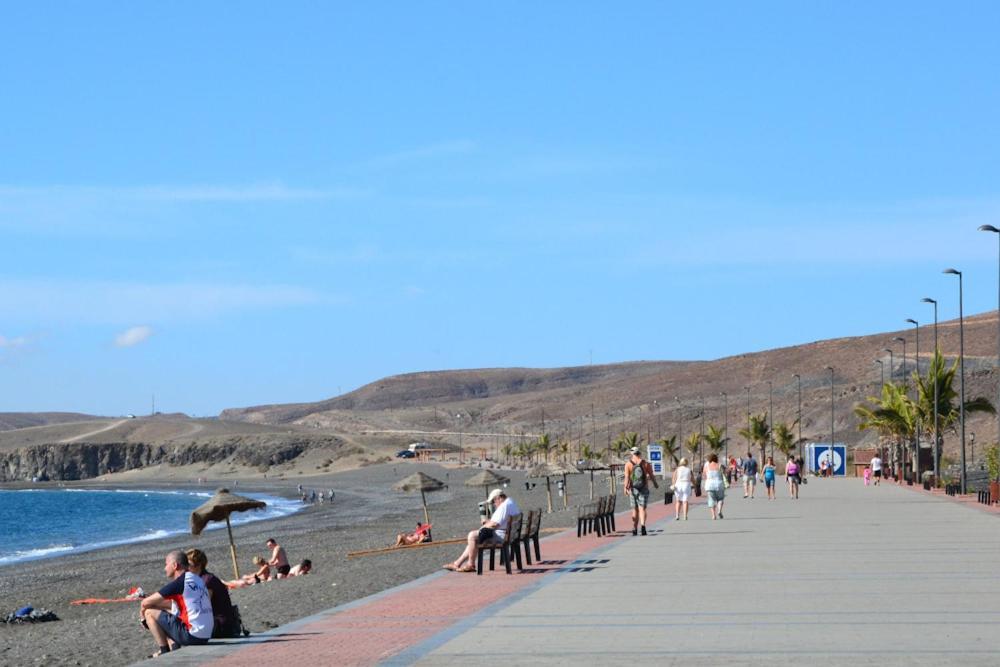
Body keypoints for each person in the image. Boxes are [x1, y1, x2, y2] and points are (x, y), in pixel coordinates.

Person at [139, 550, 213, 657]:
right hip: (205, 635)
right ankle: (174, 647)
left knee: (149, 612)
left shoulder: (180, 583)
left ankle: (164, 651)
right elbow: (170, 604)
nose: (165, 568)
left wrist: (142, 617)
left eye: (166, 564)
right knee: (168, 612)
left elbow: (145, 603)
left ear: (174, 565)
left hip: (192, 636)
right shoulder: (197, 579)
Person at [444, 488, 519, 572]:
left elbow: (495, 524)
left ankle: (470, 564)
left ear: (499, 498)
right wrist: (488, 522)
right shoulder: (510, 502)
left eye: (493, 501)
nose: (494, 504)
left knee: (472, 535)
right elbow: (499, 521)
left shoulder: (504, 506)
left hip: (502, 536)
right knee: (473, 540)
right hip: (509, 534)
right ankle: (457, 563)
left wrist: (483, 527)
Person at [186, 549, 240, 639]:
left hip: (221, 626)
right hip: (219, 623)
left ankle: (168, 649)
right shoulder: (202, 578)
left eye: (189, 564)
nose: (186, 568)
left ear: (198, 565)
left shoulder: (206, 581)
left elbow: (203, 606)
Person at [624, 446, 659, 535]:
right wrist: (655, 484)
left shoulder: (628, 464)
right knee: (642, 508)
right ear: (639, 453)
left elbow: (627, 477)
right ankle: (643, 526)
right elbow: (651, 475)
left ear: (632, 454)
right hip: (644, 488)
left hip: (633, 488)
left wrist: (625, 488)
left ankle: (634, 528)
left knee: (634, 509)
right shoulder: (646, 463)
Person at [702, 453, 726, 519]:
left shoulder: (707, 466)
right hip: (719, 484)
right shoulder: (720, 465)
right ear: (716, 458)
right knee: (720, 499)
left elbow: (704, 475)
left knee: (711, 500)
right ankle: (719, 511)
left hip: (709, 485)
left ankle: (713, 515)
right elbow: (724, 473)